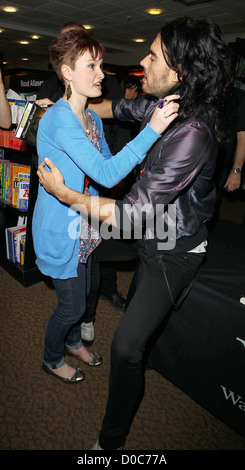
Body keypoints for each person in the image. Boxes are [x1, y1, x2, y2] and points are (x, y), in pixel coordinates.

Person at [36, 16, 232, 447]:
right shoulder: (168, 104)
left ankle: (109, 444)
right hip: (140, 233)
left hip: (172, 246)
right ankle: (68, 346)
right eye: (91, 66)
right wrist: (79, 107)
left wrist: (66, 193)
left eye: (153, 55)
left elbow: (128, 208)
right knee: (90, 301)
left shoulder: (191, 131)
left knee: (126, 344)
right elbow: (122, 109)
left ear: (179, 70)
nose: (141, 62)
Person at [32, 27, 179, 385]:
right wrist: (153, 130)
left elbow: (110, 166)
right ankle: (52, 357)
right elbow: (107, 172)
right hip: (60, 229)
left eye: (100, 64)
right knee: (72, 306)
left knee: (84, 294)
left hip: (84, 225)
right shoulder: (60, 118)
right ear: (67, 72)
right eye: (91, 65)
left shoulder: (92, 119)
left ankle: (71, 342)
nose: (101, 74)